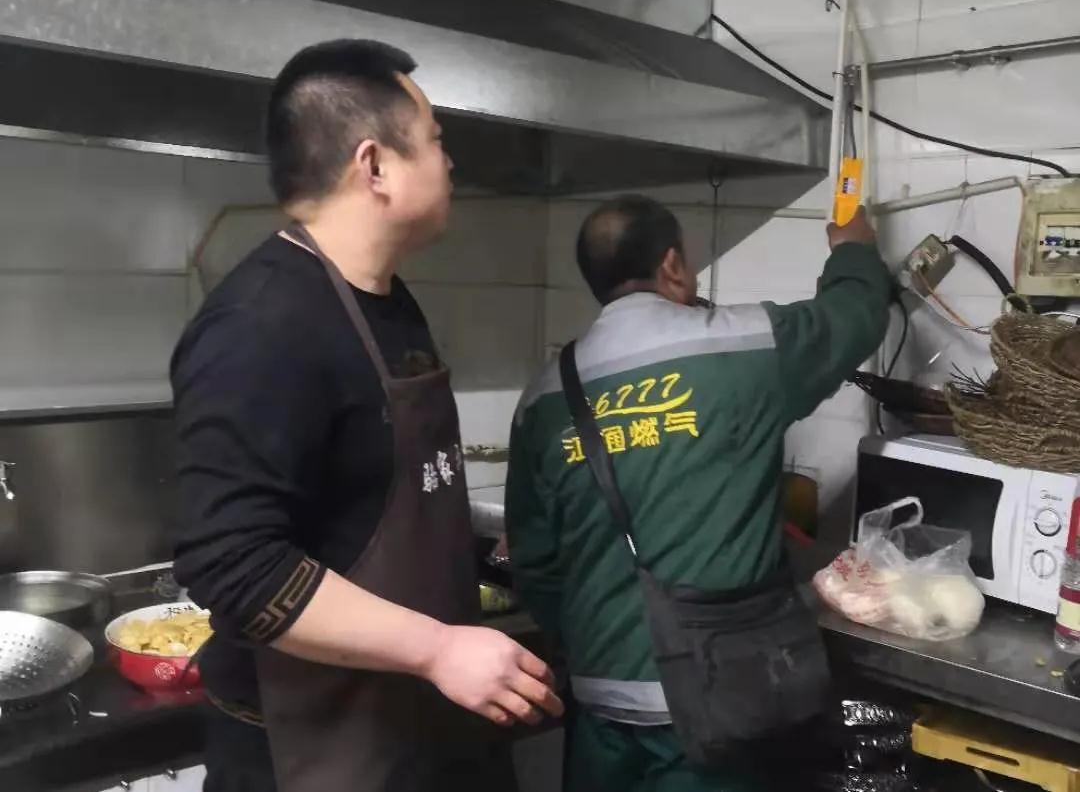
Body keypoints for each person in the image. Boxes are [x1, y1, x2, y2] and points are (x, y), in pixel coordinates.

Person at [172, 39, 562, 792]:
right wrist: (438, 649)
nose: (450, 162)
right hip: (309, 749)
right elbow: (234, 565)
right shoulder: (260, 325)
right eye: (437, 141)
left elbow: (372, 499)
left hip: (406, 731)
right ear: (375, 165)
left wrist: (477, 558)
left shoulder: (383, 299)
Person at [506, 194, 890, 792]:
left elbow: (535, 562)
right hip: (715, 706)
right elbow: (856, 313)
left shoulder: (545, 395)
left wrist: (600, 643)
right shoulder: (748, 344)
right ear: (672, 266)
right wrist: (853, 250)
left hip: (599, 707)